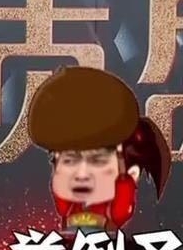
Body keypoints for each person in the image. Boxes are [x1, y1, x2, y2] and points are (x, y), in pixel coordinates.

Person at [27, 66, 171, 232]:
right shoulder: (68, 208)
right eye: (70, 160)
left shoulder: (116, 211)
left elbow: (121, 211)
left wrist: (124, 182)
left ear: (132, 173)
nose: (82, 175)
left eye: (98, 161)